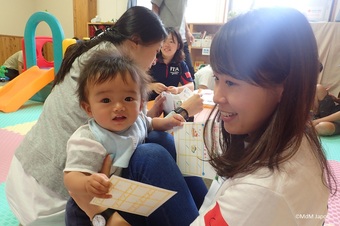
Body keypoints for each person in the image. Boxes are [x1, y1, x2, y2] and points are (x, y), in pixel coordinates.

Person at [104, 7, 336, 226]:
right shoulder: (295, 137)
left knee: (147, 156)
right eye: (218, 78)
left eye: (232, 82)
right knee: (158, 143)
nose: (216, 97)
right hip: (218, 204)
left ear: (283, 85)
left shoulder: (262, 193)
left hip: (232, 206)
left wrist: (100, 216)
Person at [5, 6, 205, 226]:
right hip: (56, 197)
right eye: (156, 50)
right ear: (135, 42)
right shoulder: (108, 67)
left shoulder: (104, 56)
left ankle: (204, 210)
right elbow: (73, 178)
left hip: (31, 177)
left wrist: (164, 117)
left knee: (160, 138)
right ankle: (199, 213)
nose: (155, 60)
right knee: (153, 154)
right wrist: (103, 216)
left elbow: (134, 123)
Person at [64, 49, 188, 225]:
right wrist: (87, 182)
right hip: (89, 209)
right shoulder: (89, 138)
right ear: (88, 108)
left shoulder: (136, 121)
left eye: (128, 98)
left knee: (161, 139)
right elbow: (70, 178)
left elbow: (150, 123)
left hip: (123, 197)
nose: (119, 107)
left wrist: (167, 122)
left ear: (141, 104)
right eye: (106, 100)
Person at [151, 0, 196, 78]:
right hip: (166, 36)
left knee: (190, 71)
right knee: (157, 70)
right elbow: (155, 8)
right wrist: (156, 34)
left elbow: (181, 14)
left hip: (181, 37)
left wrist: (187, 31)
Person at [149, 27, 194, 101]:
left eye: (171, 41)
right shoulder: (151, 61)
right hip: (149, 103)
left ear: (178, 46)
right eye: (164, 41)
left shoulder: (180, 64)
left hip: (169, 104)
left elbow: (191, 86)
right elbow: (137, 85)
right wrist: (153, 86)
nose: (166, 45)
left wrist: (177, 89)